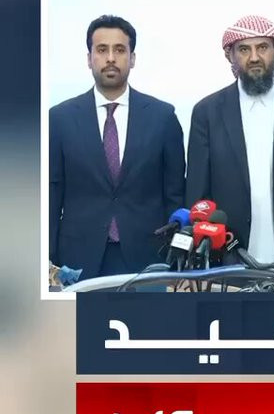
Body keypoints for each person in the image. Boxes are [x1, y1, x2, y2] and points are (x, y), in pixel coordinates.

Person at [49, 15, 185, 280]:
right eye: (102, 50)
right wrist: (47, 259)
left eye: (120, 50)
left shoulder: (163, 117)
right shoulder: (60, 119)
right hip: (76, 261)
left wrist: (177, 259)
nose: (111, 58)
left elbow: (175, 194)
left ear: (132, 58)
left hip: (149, 259)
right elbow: (52, 194)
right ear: (89, 58)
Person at [185, 14, 274, 260]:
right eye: (244, 49)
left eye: (262, 47)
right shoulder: (207, 112)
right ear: (230, 56)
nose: (254, 57)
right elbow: (197, 196)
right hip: (226, 253)